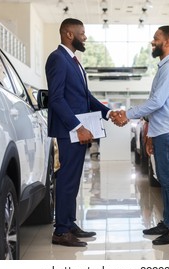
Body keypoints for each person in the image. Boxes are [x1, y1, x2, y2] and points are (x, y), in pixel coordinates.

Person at [45, 18, 119, 247]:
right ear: (69, 34)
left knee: (73, 180)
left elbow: (86, 97)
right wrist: (78, 127)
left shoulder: (73, 61)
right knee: (67, 179)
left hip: (78, 131)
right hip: (70, 131)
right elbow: (56, 99)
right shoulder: (57, 59)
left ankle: (69, 222)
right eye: (82, 33)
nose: (85, 37)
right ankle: (61, 231)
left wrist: (108, 113)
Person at [116, 25, 169, 245]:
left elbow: (157, 102)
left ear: (167, 42)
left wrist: (127, 114)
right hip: (162, 130)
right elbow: (158, 106)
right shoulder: (164, 67)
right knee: (164, 179)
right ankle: (167, 223)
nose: (152, 42)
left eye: (155, 38)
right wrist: (149, 135)